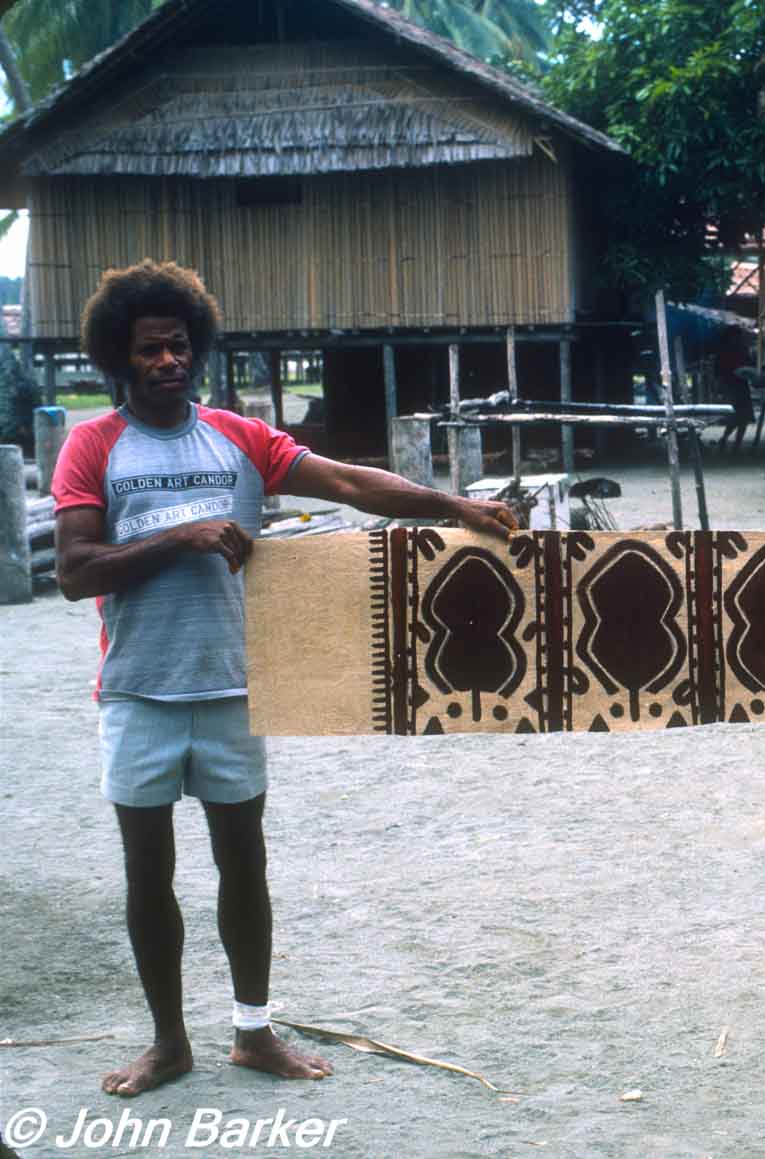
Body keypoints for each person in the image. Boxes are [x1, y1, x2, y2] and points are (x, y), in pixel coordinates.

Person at [52, 260, 517, 1097]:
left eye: (179, 345)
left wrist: (453, 506)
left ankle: (253, 1030)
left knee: (244, 865)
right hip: (137, 694)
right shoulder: (93, 445)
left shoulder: (237, 437)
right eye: (150, 349)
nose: (168, 360)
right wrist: (184, 536)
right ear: (120, 358)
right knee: (148, 875)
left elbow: (347, 481)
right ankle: (169, 1043)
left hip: (236, 689)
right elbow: (75, 570)